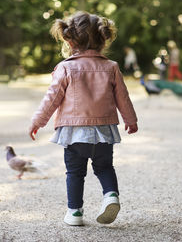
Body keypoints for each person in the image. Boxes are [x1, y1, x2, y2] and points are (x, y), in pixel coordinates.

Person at [29, 11, 138, 226]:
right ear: (102, 39)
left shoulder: (66, 68)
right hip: (104, 131)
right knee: (105, 167)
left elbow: (52, 99)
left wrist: (37, 121)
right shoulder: (111, 67)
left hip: (74, 132)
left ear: (70, 40)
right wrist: (130, 119)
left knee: (75, 172)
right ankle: (111, 195)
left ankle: (75, 213)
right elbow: (122, 97)